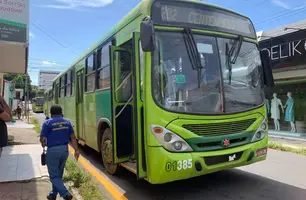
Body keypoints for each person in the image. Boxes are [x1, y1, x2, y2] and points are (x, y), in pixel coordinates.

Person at [40, 104, 80, 200]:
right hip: (64, 150)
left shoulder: (47, 123)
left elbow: (43, 139)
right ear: (61, 112)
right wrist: (76, 150)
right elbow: (73, 138)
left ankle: (66, 194)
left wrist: (43, 143)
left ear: (51, 113)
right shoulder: (67, 122)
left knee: (53, 176)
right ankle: (53, 194)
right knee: (58, 174)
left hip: (53, 151)